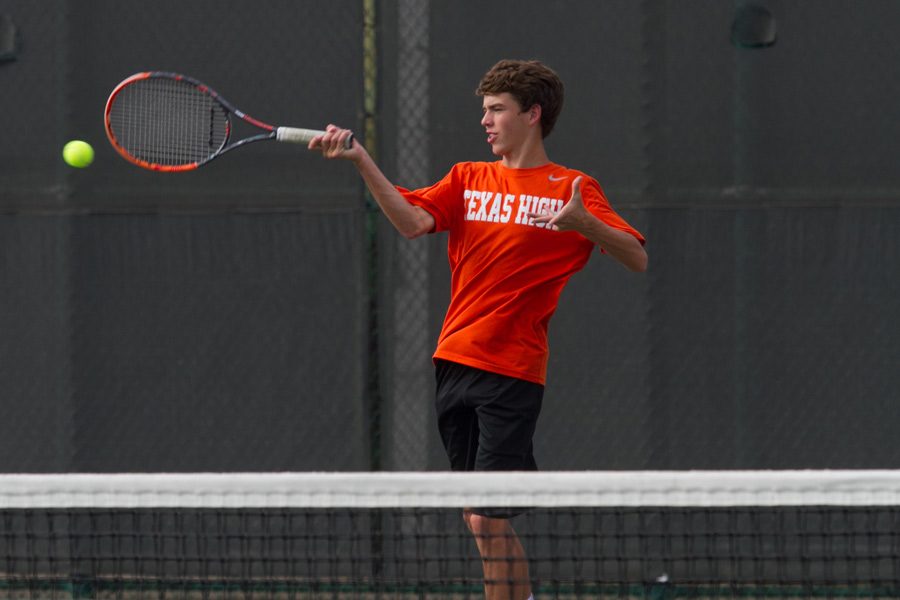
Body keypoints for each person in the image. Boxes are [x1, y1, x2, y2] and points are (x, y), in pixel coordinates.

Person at [311, 59, 647, 600]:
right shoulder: (467, 178)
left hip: (511, 373)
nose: (486, 121)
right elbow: (412, 221)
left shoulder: (573, 187)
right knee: (478, 518)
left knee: (488, 518)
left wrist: (583, 222)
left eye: (497, 110)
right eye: (484, 110)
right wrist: (360, 160)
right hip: (453, 362)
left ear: (532, 114)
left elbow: (635, 257)